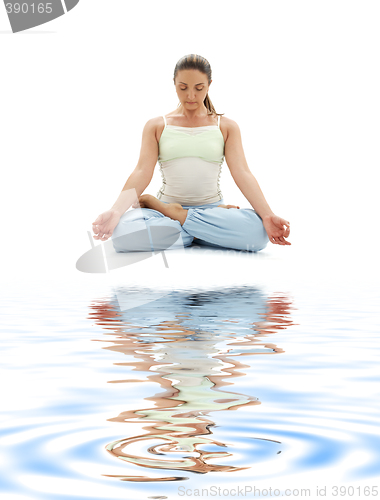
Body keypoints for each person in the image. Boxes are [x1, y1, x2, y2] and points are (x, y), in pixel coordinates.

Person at [92, 54, 291, 253]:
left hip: (209, 210)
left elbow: (243, 173)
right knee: (122, 235)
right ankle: (204, 232)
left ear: (209, 84)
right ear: (174, 84)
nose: (190, 96)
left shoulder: (226, 127)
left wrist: (267, 215)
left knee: (259, 235)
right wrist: (116, 211)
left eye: (199, 88)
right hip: (178, 214)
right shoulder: (157, 125)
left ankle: (178, 218)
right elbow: (141, 171)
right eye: (183, 87)